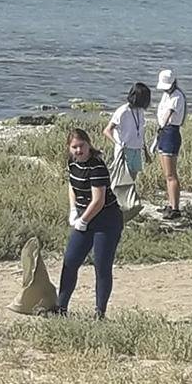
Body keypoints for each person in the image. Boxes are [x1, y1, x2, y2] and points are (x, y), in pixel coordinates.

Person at [56, 129, 125, 319]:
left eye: (82, 146)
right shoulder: (72, 162)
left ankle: (99, 313)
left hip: (106, 220)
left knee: (101, 266)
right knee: (70, 262)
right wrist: (73, 210)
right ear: (69, 148)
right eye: (74, 147)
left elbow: (98, 200)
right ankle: (60, 309)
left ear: (89, 144)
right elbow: (72, 186)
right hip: (84, 216)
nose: (79, 150)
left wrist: (83, 220)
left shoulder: (97, 166)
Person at [103, 82, 152, 209]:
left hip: (137, 149)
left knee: (131, 179)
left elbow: (140, 132)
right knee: (121, 179)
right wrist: (118, 144)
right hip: (124, 151)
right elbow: (107, 130)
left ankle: (126, 204)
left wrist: (146, 152)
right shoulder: (123, 111)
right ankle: (114, 204)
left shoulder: (140, 111)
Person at [153, 69, 187, 220]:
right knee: (166, 174)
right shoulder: (166, 95)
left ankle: (175, 208)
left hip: (170, 132)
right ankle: (170, 203)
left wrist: (161, 129)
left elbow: (168, 114)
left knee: (171, 174)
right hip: (164, 131)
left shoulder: (177, 96)